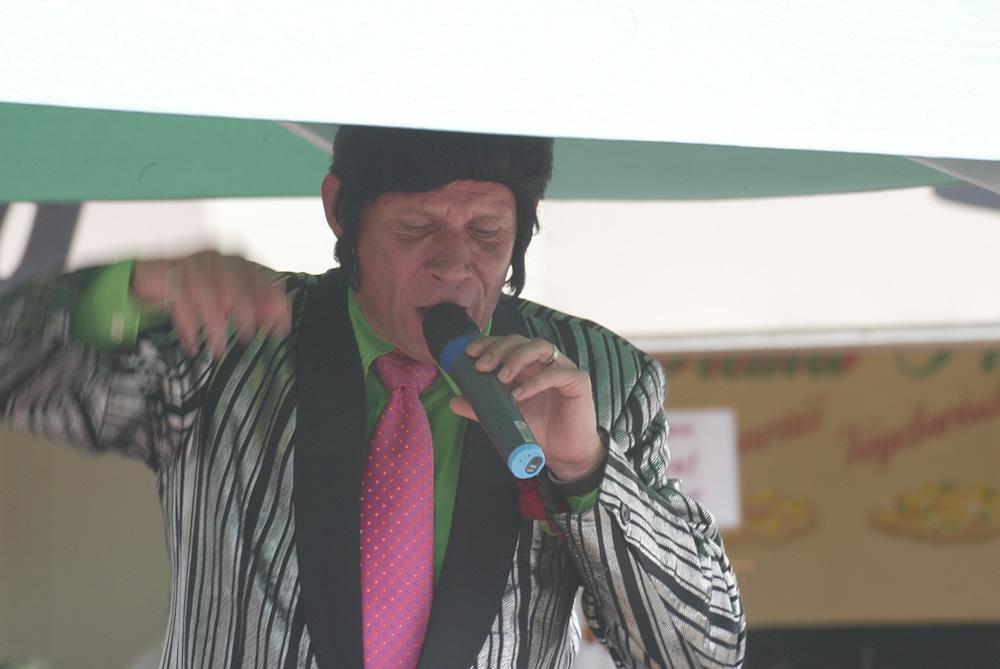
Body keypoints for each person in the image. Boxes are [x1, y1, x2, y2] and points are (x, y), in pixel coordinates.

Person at [0, 126, 745, 668]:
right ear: (340, 210)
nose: (455, 266)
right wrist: (121, 293)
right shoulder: (227, 334)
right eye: (417, 228)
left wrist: (587, 472)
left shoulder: (600, 377)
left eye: (488, 231)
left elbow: (700, 652)